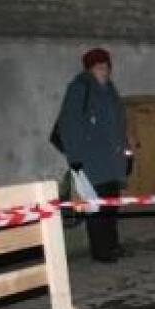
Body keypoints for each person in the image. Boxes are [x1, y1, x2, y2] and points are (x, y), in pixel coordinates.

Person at [55, 48, 132, 263]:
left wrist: (126, 153)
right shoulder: (80, 88)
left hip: (111, 161)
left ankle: (112, 245)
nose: (104, 71)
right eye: (99, 68)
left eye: (106, 67)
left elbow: (119, 125)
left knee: (111, 205)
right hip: (91, 161)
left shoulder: (110, 89)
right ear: (89, 69)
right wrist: (75, 160)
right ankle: (101, 251)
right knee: (96, 208)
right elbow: (69, 125)